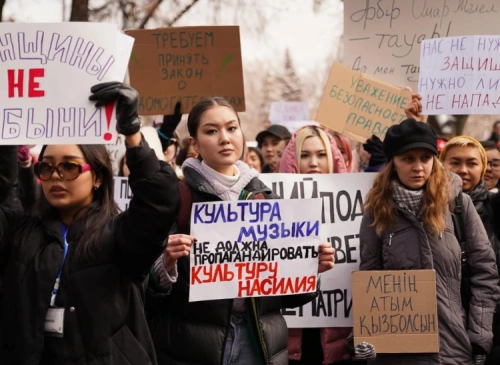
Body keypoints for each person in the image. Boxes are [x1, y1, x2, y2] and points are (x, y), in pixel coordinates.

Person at [0, 82, 180, 365]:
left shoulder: (120, 234)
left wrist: (132, 132)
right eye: (46, 167)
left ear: (97, 176)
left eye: (69, 166)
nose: (56, 175)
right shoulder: (20, 231)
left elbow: (159, 204)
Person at [147, 97, 336, 365]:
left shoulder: (269, 201)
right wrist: (166, 262)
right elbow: (145, 288)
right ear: (194, 143)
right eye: (211, 131)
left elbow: (288, 297)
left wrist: (309, 269)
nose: (225, 138)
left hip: (258, 344)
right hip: (191, 346)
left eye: (232, 128)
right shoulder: (176, 199)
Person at [360, 118, 499, 365]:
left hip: (453, 349)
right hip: (398, 353)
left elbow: (485, 272)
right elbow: (370, 280)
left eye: (425, 158)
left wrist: (479, 336)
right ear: (393, 163)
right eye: (408, 159)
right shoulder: (377, 212)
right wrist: (367, 338)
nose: (418, 167)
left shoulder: (458, 204)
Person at [278, 125, 351, 365]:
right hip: (293, 332)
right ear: (293, 160)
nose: (313, 163)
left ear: (332, 158)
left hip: (338, 328)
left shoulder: (357, 202)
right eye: (305, 155)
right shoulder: (270, 204)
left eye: (321, 155)